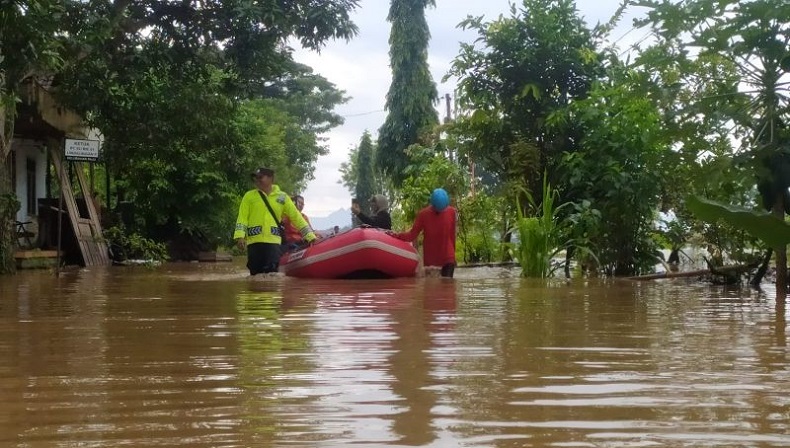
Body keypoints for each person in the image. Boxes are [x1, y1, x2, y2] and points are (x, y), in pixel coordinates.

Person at [234, 167, 317, 275]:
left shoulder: (283, 197)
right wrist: (240, 236)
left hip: (273, 243)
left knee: (272, 275)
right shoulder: (249, 196)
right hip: (254, 243)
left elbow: (297, 218)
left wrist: (310, 236)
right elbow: (242, 218)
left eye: (260, 177)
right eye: (255, 178)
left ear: (271, 179)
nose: (257, 180)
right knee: (254, 276)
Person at [390, 188, 457, 278]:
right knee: (433, 286)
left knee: (448, 285)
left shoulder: (452, 212)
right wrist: (397, 236)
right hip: (431, 260)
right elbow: (412, 235)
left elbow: (452, 235)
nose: (440, 212)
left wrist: (453, 255)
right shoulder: (423, 215)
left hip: (448, 258)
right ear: (433, 205)